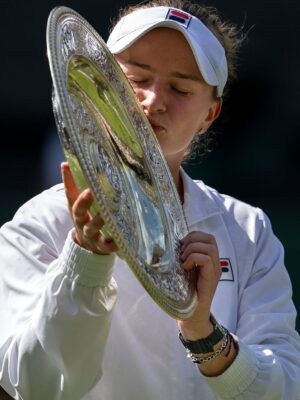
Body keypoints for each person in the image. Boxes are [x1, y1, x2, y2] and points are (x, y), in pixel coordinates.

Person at [0, 0, 299, 399]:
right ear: (101, 84)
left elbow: (285, 389)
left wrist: (202, 332)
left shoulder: (249, 230)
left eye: (181, 88)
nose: (153, 100)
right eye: (137, 78)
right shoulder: (38, 222)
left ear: (210, 114)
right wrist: (86, 258)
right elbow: (33, 385)